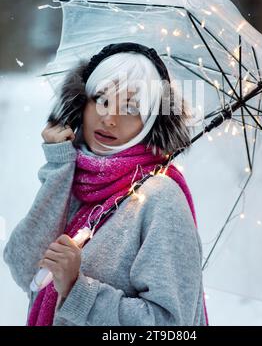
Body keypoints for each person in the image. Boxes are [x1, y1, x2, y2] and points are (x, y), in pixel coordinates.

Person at [3, 42, 209, 326]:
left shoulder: (160, 198)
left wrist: (77, 289)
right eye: (101, 99)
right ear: (80, 103)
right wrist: (58, 166)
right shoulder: (76, 174)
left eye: (131, 108)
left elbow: (171, 326)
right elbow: (25, 267)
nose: (110, 118)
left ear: (150, 121)